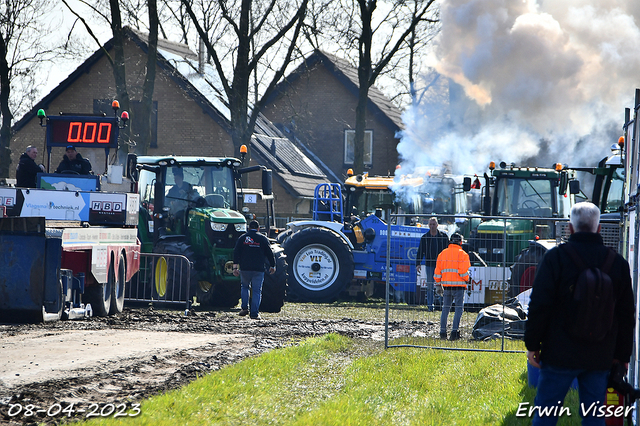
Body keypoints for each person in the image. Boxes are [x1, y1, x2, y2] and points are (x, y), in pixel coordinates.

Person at [525, 202, 635, 426]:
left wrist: (533, 344)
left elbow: (539, 304)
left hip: (558, 352)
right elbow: (626, 315)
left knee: (545, 414)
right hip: (600, 354)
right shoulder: (618, 264)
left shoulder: (555, 258)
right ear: (599, 228)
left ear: (570, 228)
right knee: (594, 416)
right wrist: (622, 356)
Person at [232, 220, 276, 319]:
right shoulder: (263, 238)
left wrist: (235, 267)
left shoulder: (242, 238)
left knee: (244, 287)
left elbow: (236, 253)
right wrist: (272, 265)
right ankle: (254, 313)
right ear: (258, 228)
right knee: (256, 291)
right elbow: (270, 253)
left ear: (248, 228)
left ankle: (244, 308)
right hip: (258, 269)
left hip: (245, 268)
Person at [434, 233, 470, 340]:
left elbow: (437, 272)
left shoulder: (442, 254)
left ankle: (442, 332)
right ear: (461, 242)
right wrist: (467, 279)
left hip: (446, 287)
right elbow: (463, 272)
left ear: (450, 241)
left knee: (445, 309)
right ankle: (454, 332)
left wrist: (438, 284)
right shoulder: (463, 254)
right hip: (459, 287)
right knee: (458, 309)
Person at [416, 217, 449, 310]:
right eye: (430, 224)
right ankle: (430, 306)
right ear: (428, 225)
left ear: (437, 225)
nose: (432, 226)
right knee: (430, 286)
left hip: (441, 265)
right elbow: (420, 251)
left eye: (434, 224)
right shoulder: (425, 237)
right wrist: (418, 263)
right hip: (429, 264)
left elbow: (448, 251)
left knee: (441, 285)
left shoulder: (443, 237)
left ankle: (441, 305)